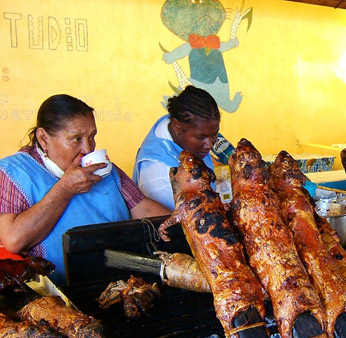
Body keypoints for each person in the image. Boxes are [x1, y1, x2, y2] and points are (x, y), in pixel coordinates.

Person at [0, 94, 170, 284]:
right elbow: (14, 240)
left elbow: (143, 208)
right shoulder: (14, 171)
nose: (88, 148)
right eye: (76, 139)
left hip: (123, 279)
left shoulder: (104, 168)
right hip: (62, 291)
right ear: (43, 138)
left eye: (92, 137)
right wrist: (65, 189)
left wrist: (187, 224)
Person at [133, 86, 227, 209]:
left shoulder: (187, 127)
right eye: (201, 137)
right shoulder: (157, 173)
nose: (209, 145)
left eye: (214, 134)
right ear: (177, 126)